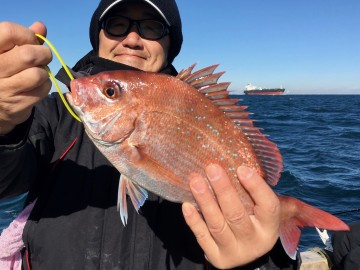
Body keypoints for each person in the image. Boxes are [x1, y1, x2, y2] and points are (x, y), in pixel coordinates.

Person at [0, 0, 286, 269]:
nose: (133, 39)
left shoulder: (190, 101)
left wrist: (255, 259)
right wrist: (4, 125)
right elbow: (7, 182)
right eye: (116, 24)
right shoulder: (50, 114)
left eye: (151, 27)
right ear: (97, 36)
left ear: (170, 42)